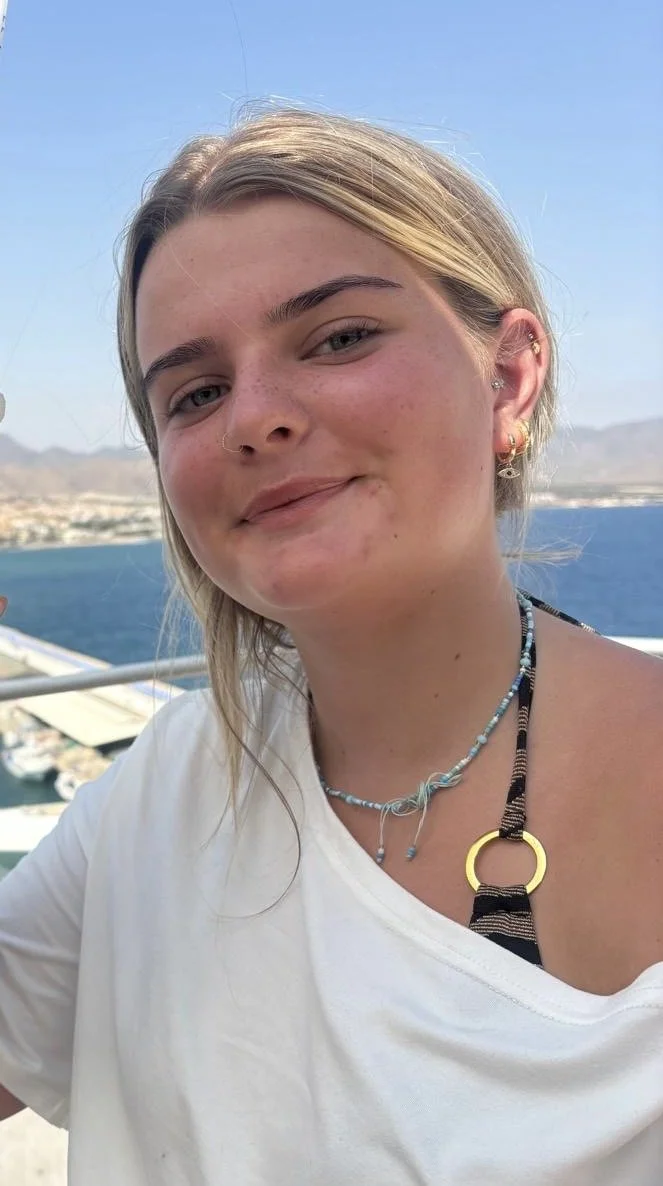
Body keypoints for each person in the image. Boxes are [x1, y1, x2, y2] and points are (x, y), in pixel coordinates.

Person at [1, 108, 662, 1184]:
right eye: (196, 391)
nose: (253, 419)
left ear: (507, 377)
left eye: (339, 336)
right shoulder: (161, 796)